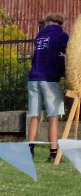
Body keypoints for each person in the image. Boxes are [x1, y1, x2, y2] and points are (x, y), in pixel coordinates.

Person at [27, 12, 69, 162]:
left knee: (34, 116)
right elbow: (68, 54)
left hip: (33, 79)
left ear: (48, 22)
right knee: (53, 117)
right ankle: (53, 153)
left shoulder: (39, 36)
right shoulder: (61, 36)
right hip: (50, 80)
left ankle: (30, 151)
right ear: (60, 23)